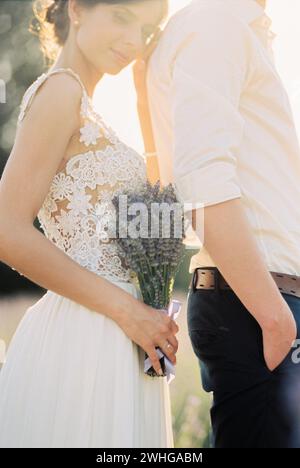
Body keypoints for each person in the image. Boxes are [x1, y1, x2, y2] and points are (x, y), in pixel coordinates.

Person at [0, 0, 178, 448]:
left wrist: (143, 99)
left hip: (125, 335)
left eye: (147, 30)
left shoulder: (91, 108)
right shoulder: (60, 91)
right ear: (77, 9)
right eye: (122, 18)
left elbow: (161, 198)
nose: (134, 42)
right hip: (88, 336)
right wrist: (128, 311)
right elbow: (6, 229)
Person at [146, 0, 300, 447]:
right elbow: (202, 178)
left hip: (265, 300)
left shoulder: (233, 28)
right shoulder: (215, 25)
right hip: (257, 304)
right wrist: (276, 321)